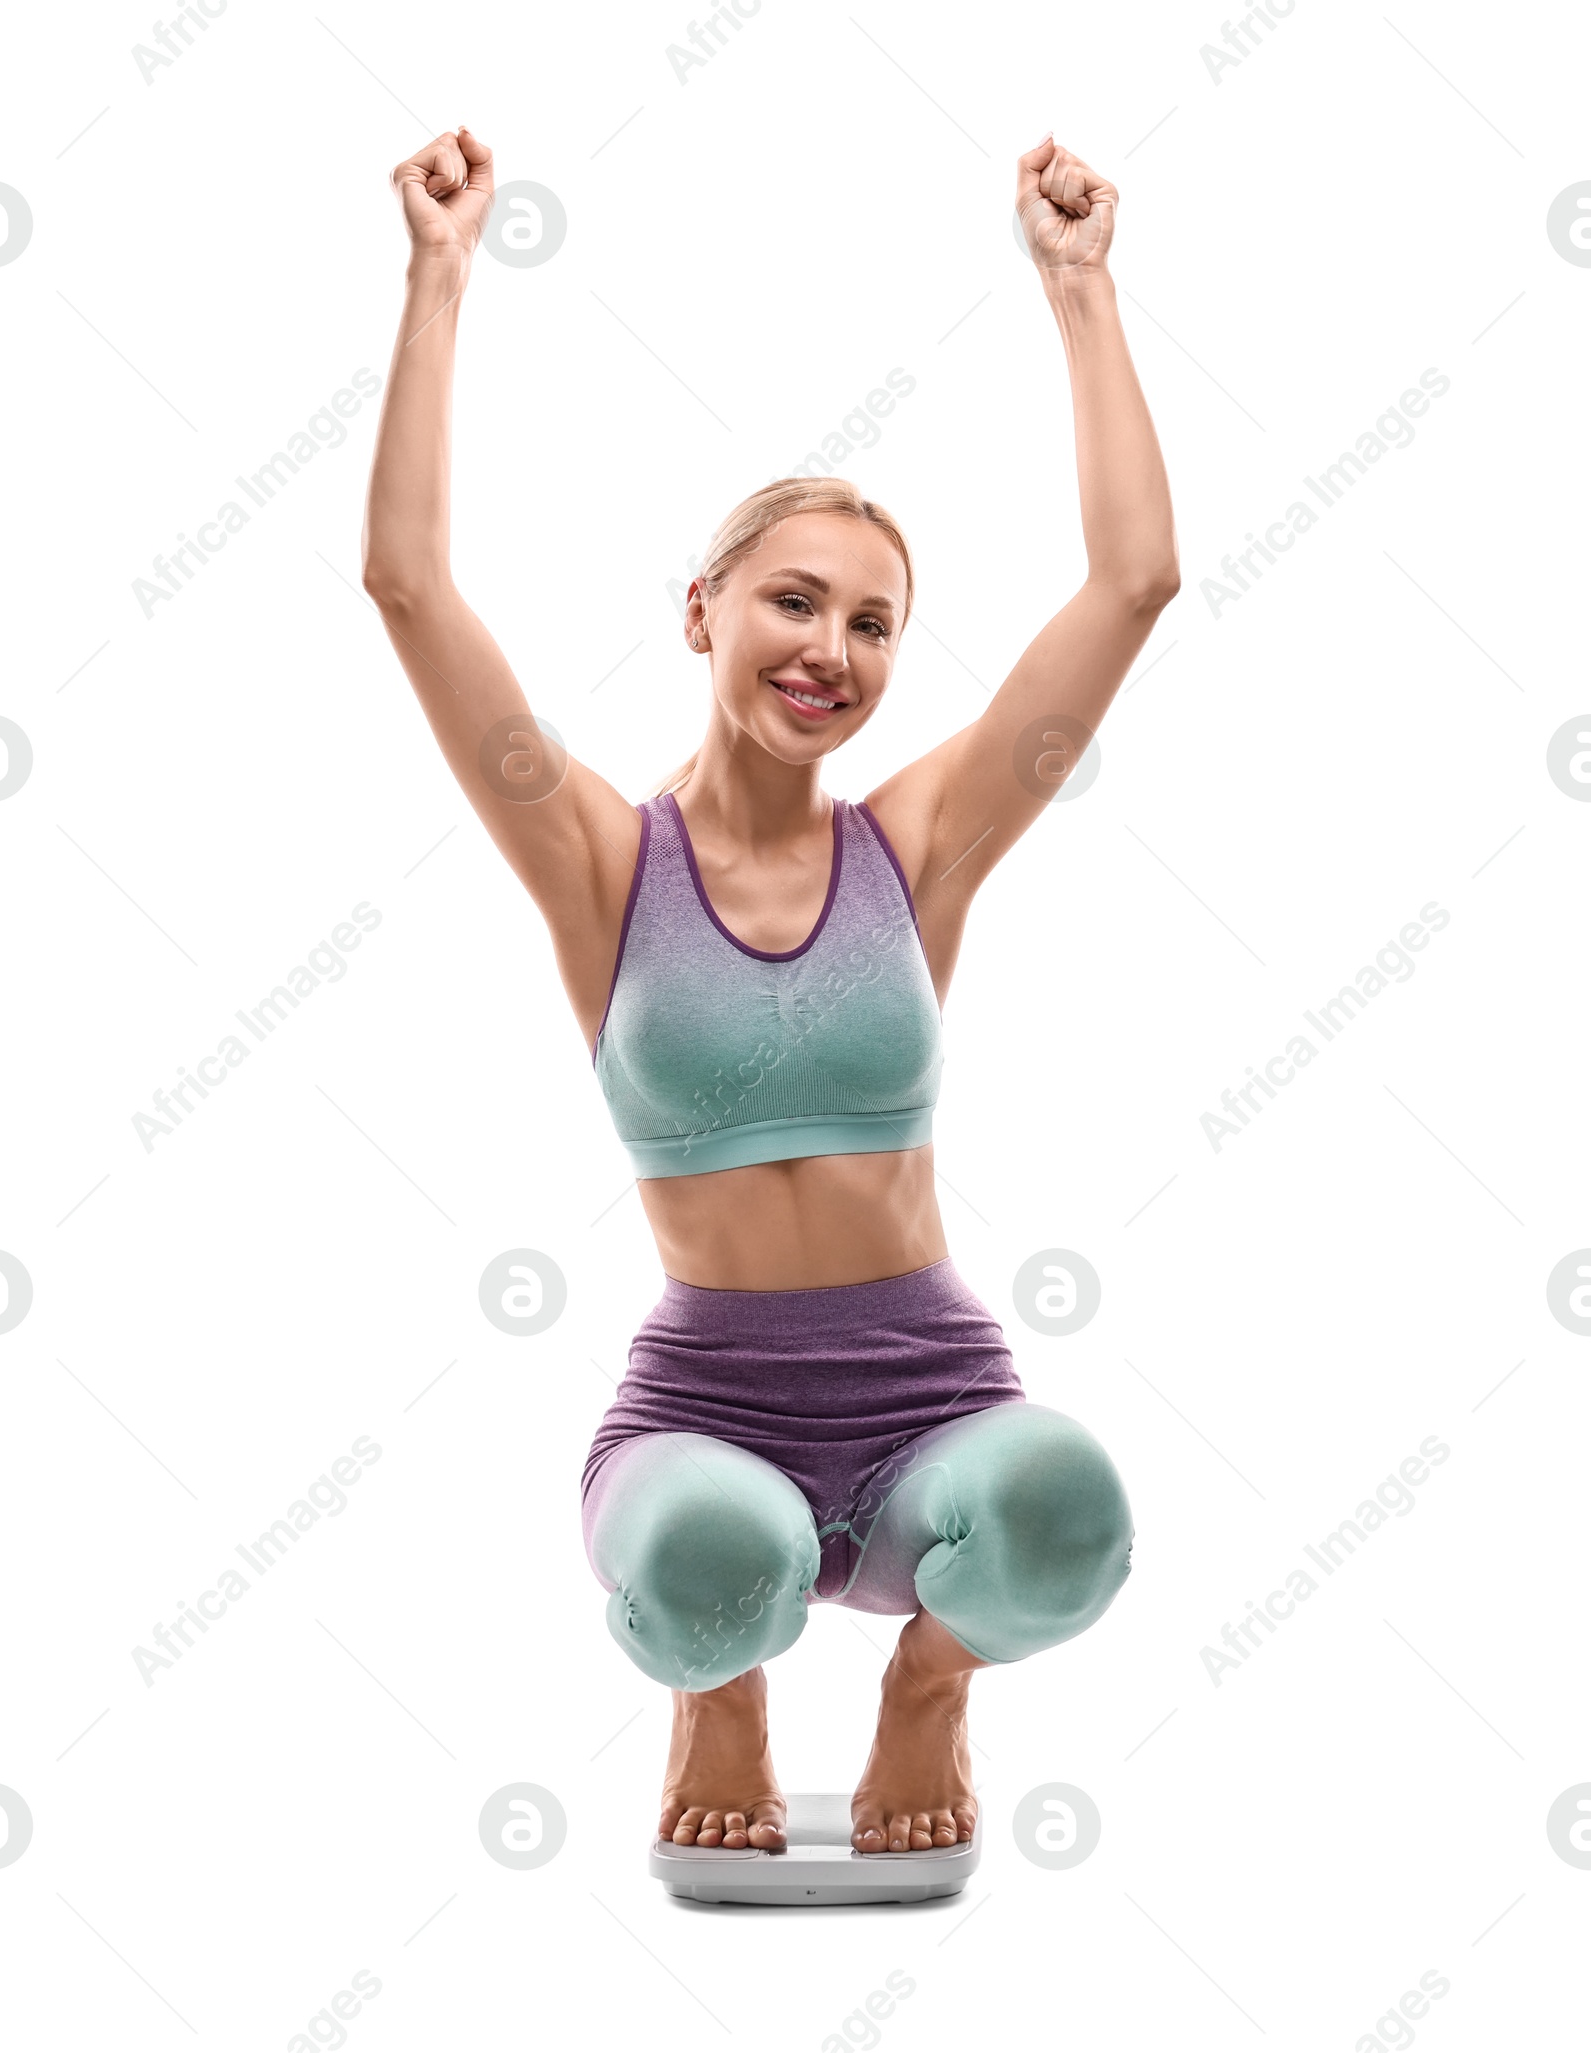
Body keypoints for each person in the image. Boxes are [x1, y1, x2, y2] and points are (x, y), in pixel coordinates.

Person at [362, 124, 1178, 1857]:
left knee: (1068, 1511)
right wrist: (439, 281)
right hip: (707, 1409)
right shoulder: (601, 868)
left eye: (874, 625)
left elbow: (1132, 584)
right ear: (700, 611)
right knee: (712, 1566)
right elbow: (410, 587)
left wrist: (1082, 288)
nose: (832, 649)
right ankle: (716, 1694)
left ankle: (928, 1689)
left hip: (934, 1393)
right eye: (793, 600)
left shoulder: (920, 849)